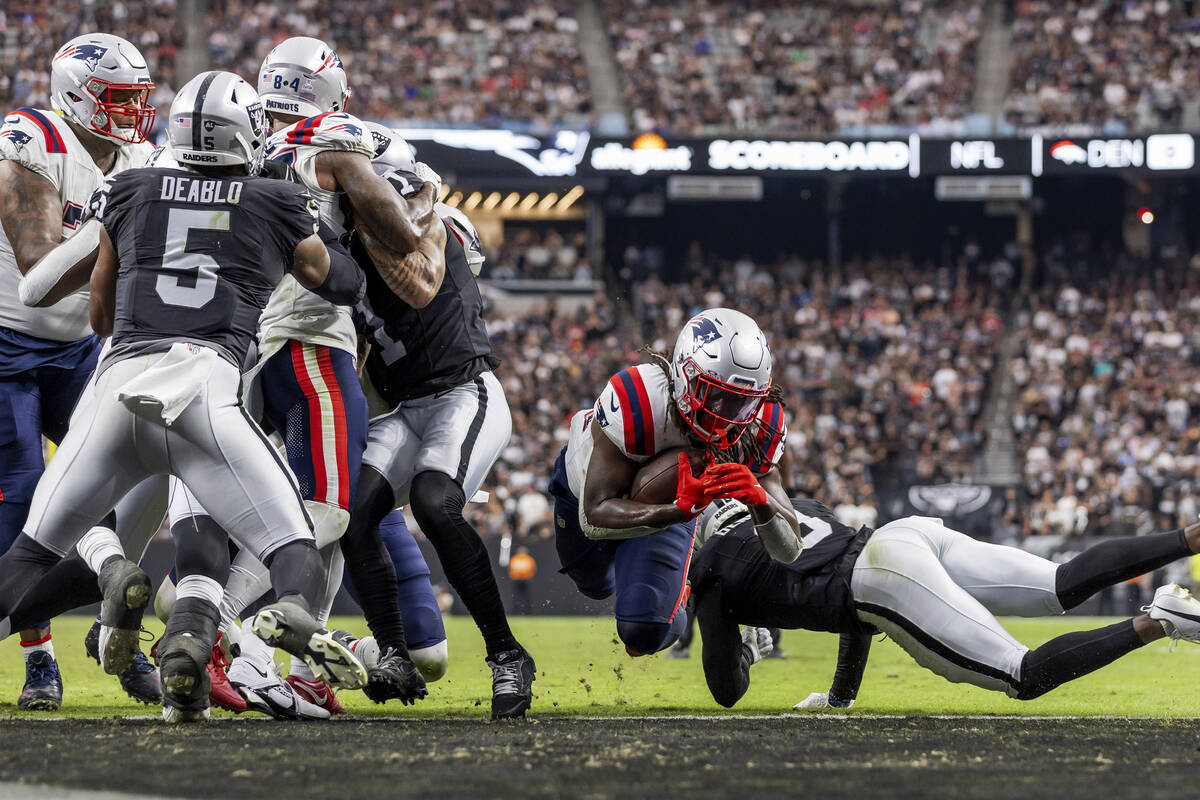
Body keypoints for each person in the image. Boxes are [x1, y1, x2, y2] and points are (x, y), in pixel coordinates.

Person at [0, 69, 374, 722]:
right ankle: (285, 613)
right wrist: (331, 232)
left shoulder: (129, 187)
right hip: (205, 392)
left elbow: (99, 312)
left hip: (117, 387)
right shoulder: (272, 199)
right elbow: (338, 283)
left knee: (31, 556)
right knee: (291, 547)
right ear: (245, 137)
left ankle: (177, 652)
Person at [164, 36, 441, 714]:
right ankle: (219, 629)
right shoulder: (333, 136)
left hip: (234, 341)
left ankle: (229, 632)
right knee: (325, 511)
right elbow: (403, 233)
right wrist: (424, 198)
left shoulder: (241, 136)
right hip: (309, 340)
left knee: (271, 504)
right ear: (329, 90)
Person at [344, 131, 537, 719]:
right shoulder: (346, 241)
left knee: (433, 500)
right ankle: (395, 653)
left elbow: (416, 249)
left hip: (463, 392)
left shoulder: (433, 222)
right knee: (351, 515)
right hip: (406, 409)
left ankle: (508, 654)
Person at [0, 32, 161, 710]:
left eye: (137, 100)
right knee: (30, 491)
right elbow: (40, 264)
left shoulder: (141, 156)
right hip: (6, 345)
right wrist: (123, 228)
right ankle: (40, 659)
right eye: (117, 99)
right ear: (76, 94)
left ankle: (113, 627)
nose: (130, 114)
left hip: (79, 350)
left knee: (135, 476)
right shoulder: (29, 138)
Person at [688, 496, 1200, 709]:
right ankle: (1190, 537)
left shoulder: (711, 564)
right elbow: (852, 607)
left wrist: (746, 647)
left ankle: (1158, 620)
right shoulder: (796, 506)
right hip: (905, 537)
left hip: (881, 574)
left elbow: (726, 690)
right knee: (1059, 583)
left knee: (1022, 674)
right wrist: (840, 698)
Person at [548, 308, 802, 658]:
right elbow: (593, 517)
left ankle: (681, 588)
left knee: (644, 633)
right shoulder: (638, 398)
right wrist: (673, 510)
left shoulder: (761, 424)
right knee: (593, 583)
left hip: (672, 506)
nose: (726, 415)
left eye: (742, 403)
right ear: (684, 372)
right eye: (715, 395)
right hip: (588, 495)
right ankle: (682, 564)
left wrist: (760, 501)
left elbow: (789, 549)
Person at [508, 547, 537, 615]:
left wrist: (527, 576)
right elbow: (511, 569)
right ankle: (515, 612)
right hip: (517, 580)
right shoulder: (515, 559)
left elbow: (532, 569)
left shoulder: (528, 559)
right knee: (516, 597)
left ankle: (528, 613)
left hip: (525, 580)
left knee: (527, 597)